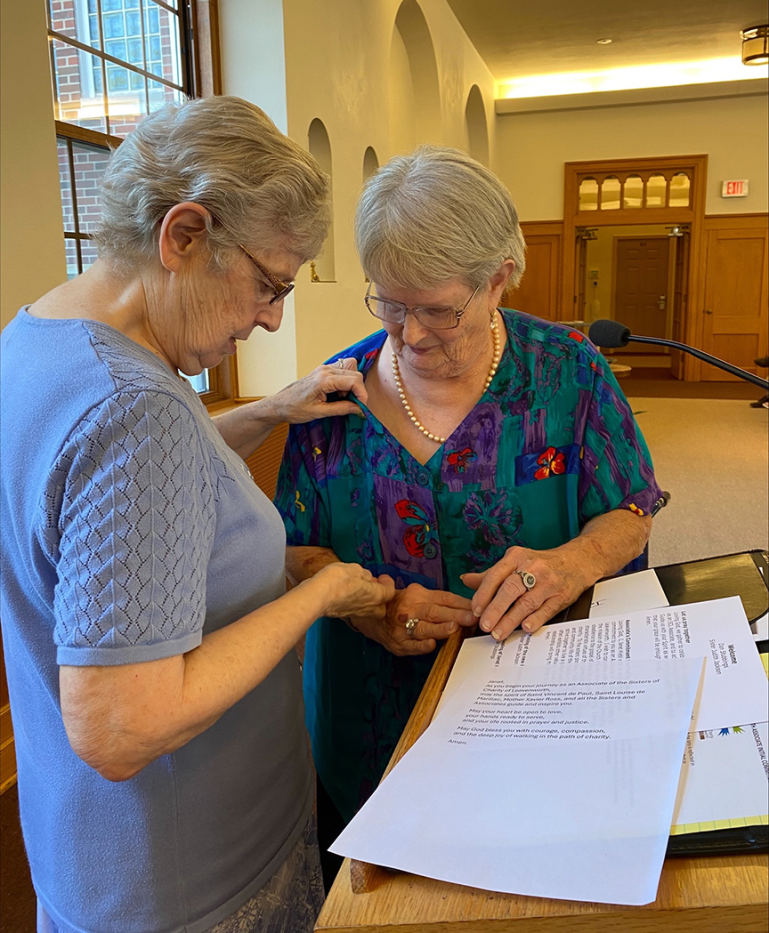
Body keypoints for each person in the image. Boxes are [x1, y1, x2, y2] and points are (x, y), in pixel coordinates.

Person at [0, 96, 396, 933]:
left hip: (88, 850)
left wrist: (268, 411)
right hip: (187, 873)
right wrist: (319, 596)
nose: (271, 317)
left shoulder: (39, 335)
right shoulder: (134, 409)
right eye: (269, 284)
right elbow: (122, 729)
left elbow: (110, 501)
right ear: (183, 235)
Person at [274, 146, 662, 884]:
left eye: (437, 310)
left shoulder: (567, 369)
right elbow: (292, 548)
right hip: (372, 709)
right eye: (390, 304)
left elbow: (632, 507)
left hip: (540, 705)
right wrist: (371, 609)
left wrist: (571, 563)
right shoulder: (334, 395)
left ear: (498, 280)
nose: (410, 334)